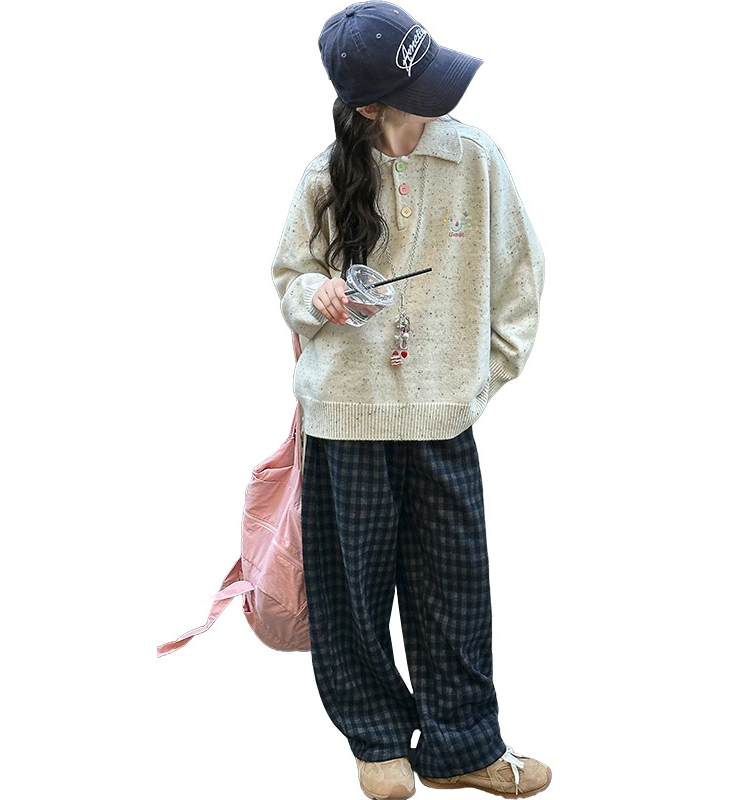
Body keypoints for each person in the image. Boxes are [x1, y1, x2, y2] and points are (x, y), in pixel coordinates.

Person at [271, 3, 549, 798]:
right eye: (416, 85)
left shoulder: (475, 159)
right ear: (369, 106)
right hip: (344, 419)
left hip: (441, 419)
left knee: (455, 589)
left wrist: (481, 380)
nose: (440, 95)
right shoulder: (325, 176)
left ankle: (463, 746)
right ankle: (379, 741)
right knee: (351, 596)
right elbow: (289, 278)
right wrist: (318, 296)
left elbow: (521, 275)